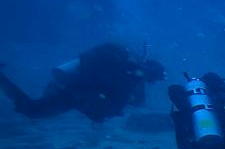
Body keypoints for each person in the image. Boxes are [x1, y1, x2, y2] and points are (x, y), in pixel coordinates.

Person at [0, 43, 165, 122]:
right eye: (153, 78)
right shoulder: (129, 73)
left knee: (33, 110)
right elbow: (123, 101)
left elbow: (128, 101)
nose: (150, 81)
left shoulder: (130, 73)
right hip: (74, 94)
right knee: (32, 110)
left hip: (74, 93)